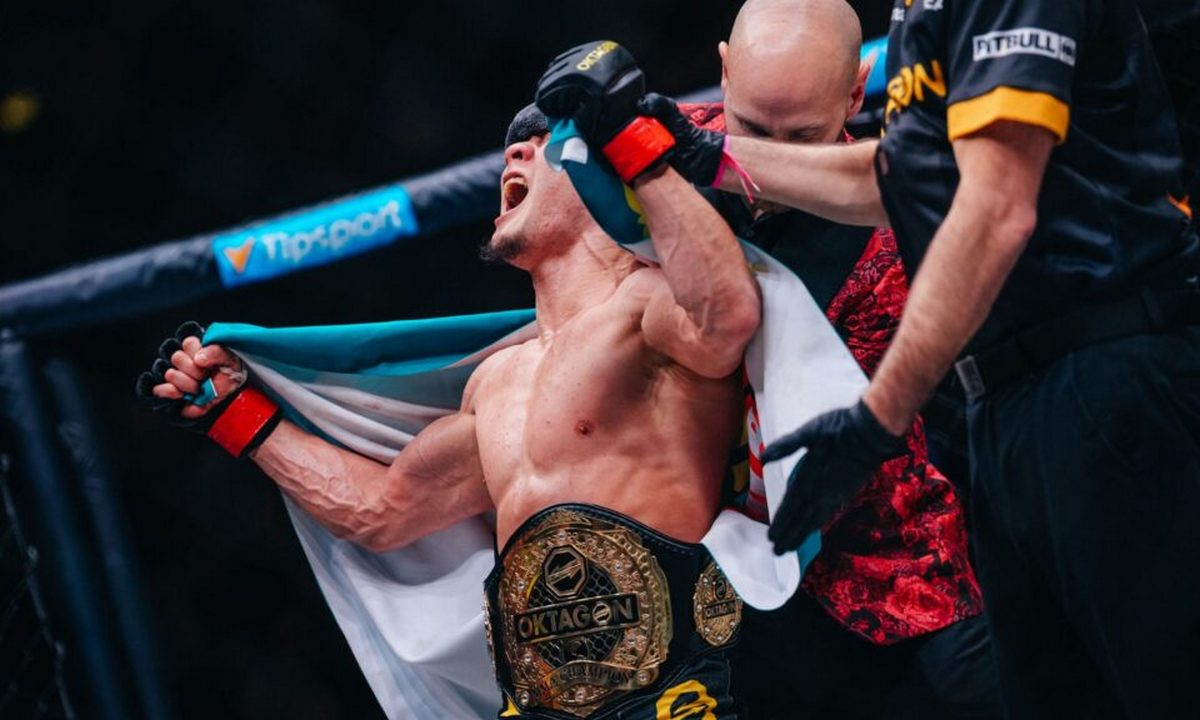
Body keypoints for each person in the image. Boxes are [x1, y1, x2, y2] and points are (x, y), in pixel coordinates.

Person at [137, 47, 760, 718]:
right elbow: (380, 512)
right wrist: (237, 415)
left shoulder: (652, 308)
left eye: (541, 144)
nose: (512, 155)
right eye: (512, 149)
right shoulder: (494, 384)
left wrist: (633, 141)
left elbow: (728, 317)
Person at [640, 0, 1200, 715]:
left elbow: (995, 207)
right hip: (1007, 404)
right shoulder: (922, 12)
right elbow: (898, 180)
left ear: (851, 95)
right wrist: (705, 151)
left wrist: (876, 419)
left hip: (1104, 370)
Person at [673, 1, 999, 716]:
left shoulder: (911, 225)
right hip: (714, 606)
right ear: (724, 72)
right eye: (754, 130)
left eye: (801, 136)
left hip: (897, 593)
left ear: (856, 94)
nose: (767, 160)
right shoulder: (656, 162)